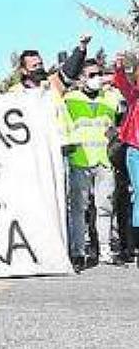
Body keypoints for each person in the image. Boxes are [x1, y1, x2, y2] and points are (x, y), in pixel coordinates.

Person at [64, 59, 121, 270]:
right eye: (91, 75)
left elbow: (121, 120)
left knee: (105, 208)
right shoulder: (69, 99)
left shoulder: (111, 98)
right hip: (79, 160)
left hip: (104, 161)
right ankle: (78, 251)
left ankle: (105, 251)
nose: (96, 78)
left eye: (99, 73)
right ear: (80, 78)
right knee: (78, 209)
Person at [110, 52, 139, 269]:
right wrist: (119, 68)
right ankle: (135, 244)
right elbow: (121, 83)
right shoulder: (134, 96)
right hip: (136, 149)